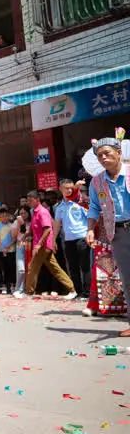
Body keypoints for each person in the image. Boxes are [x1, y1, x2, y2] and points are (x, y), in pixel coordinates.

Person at [86, 132, 130, 335]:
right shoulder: (97, 182)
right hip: (118, 233)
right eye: (99, 155)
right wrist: (90, 230)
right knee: (127, 278)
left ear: (119, 152)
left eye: (107, 153)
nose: (103, 157)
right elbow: (94, 208)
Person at [24, 190, 77, 299]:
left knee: (32, 267)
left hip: (43, 246)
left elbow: (47, 229)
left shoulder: (42, 212)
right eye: (28, 201)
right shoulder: (35, 212)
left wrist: (39, 244)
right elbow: (34, 227)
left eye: (31, 200)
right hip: (43, 245)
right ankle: (72, 289)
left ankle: (29, 292)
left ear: (37, 200)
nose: (29, 202)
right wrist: (27, 234)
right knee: (55, 269)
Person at [54, 179, 91, 298]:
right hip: (68, 240)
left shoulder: (80, 203)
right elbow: (57, 224)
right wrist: (53, 239)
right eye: (66, 188)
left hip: (82, 238)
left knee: (85, 267)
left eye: (71, 188)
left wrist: (89, 233)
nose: (69, 190)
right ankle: (77, 292)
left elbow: (90, 218)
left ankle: (87, 292)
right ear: (60, 189)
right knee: (72, 267)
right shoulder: (59, 207)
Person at [0, 207, 16, 295]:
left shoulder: (12, 225)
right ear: (0, 217)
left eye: (6, 216)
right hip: (1, 250)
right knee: (3, 268)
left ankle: (12, 285)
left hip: (11, 250)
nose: (4, 217)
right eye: (2, 216)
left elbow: (14, 238)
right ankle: (6, 286)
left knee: (11, 268)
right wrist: (2, 248)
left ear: (9, 216)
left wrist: (8, 247)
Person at [10, 207, 32, 298]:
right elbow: (13, 236)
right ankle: (18, 289)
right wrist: (19, 224)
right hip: (20, 245)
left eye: (25, 213)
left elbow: (32, 233)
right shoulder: (16, 222)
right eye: (21, 213)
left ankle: (27, 289)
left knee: (30, 269)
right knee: (21, 269)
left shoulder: (32, 221)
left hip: (30, 245)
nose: (23, 215)